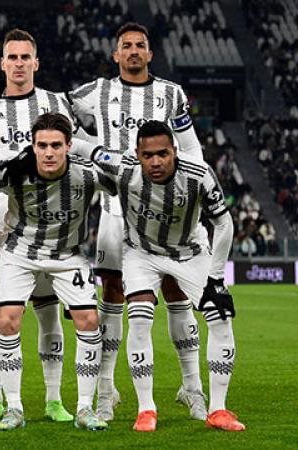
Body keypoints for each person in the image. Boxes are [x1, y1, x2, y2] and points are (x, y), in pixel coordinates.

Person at [66, 22, 206, 422]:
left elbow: (191, 148)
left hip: (163, 209)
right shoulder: (97, 91)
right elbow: (59, 114)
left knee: (176, 290)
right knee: (112, 292)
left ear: (149, 53)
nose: (132, 51)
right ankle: (107, 389)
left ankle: (191, 387)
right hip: (115, 206)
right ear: (116, 54)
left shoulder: (171, 94)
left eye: (139, 45)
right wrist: (97, 150)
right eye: (125, 45)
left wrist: (192, 192)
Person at [77, 120, 244, 432]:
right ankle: (146, 410)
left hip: (189, 252)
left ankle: (218, 409)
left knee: (220, 314)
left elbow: (224, 223)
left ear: (174, 151)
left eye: (163, 154)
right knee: (139, 317)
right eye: (148, 155)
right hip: (142, 254)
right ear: (137, 154)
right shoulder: (124, 166)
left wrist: (216, 278)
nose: (156, 161)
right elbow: (87, 148)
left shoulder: (199, 174)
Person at [0, 28, 77, 423]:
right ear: (2, 63)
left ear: (36, 62)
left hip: (44, 222)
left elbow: (74, 153)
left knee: (47, 310)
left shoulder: (54, 102)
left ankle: (53, 399)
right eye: (11, 57)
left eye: (24, 57)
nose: (18, 63)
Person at [0, 113, 112, 432]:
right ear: (33, 146)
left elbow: (121, 176)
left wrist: (92, 149)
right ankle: (14, 408)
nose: (49, 152)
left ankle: (85, 408)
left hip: (69, 255)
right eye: (42, 146)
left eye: (56, 145)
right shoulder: (18, 172)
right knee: (7, 320)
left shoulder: (86, 175)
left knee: (89, 320)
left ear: (69, 146)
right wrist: (13, 161)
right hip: (20, 253)